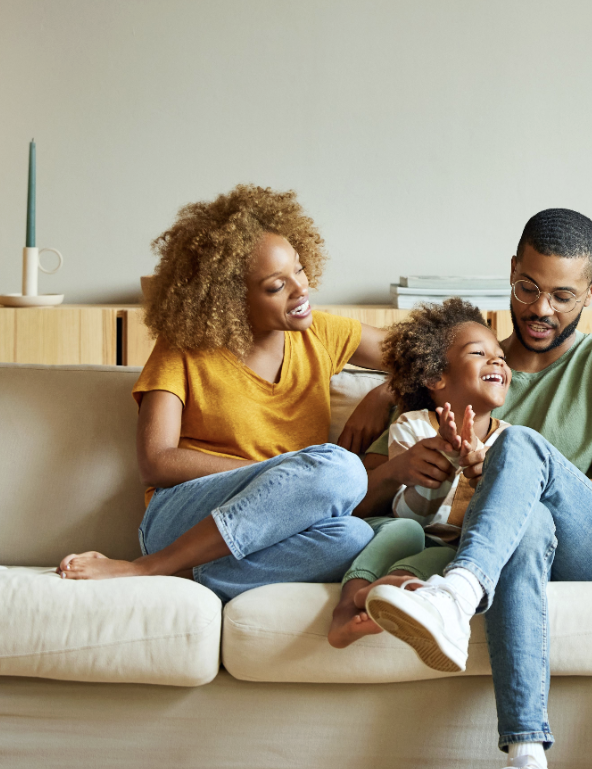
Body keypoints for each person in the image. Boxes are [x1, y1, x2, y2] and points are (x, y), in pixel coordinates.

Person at [351, 209, 592, 769]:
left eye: (563, 296)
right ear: (513, 271)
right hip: (521, 550)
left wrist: (509, 480)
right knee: (526, 527)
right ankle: (527, 764)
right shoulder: (465, 367)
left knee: (517, 447)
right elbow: (366, 493)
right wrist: (388, 390)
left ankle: (456, 593)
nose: (541, 309)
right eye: (528, 287)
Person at [57, 185, 391, 601]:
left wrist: (385, 391)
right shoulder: (184, 348)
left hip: (275, 524)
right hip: (183, 515)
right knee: (342, 471)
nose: (301, 289)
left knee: (355, 537)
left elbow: (428, 358)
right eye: (276, 286)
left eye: (300, 270)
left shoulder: (322, 333)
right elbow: (156, 461)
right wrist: (281, 474)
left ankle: (188, 572)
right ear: (231, 300)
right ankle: (148, 566)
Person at [328, 299, 512, 648]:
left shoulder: (510, 443)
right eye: (478, 353)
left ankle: (388, 591)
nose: (497, 361)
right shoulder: (412, 427)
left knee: (450, 556)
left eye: (501, 356)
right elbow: (409, 514)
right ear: (434, 377)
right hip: (402, 527)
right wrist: (444, 464)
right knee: (406, 531)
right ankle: (346, 608)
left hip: (449, 543)